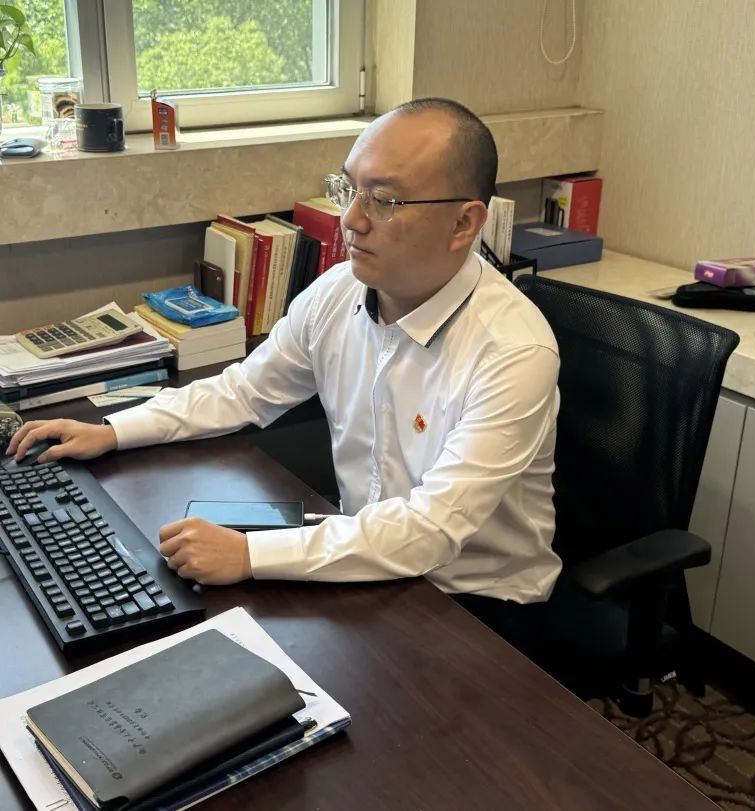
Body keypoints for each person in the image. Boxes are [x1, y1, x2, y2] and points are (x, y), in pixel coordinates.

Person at [7, 97, 561, 611]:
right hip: (364, 556)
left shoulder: (513, 350)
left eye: (385, 201)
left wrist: (249, 555)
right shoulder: (339, 291)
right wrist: (114, 431)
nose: (351, 220)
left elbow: (429, 531)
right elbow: (244, 391)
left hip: (476, 601)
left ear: (464, 223)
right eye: (349, 190)